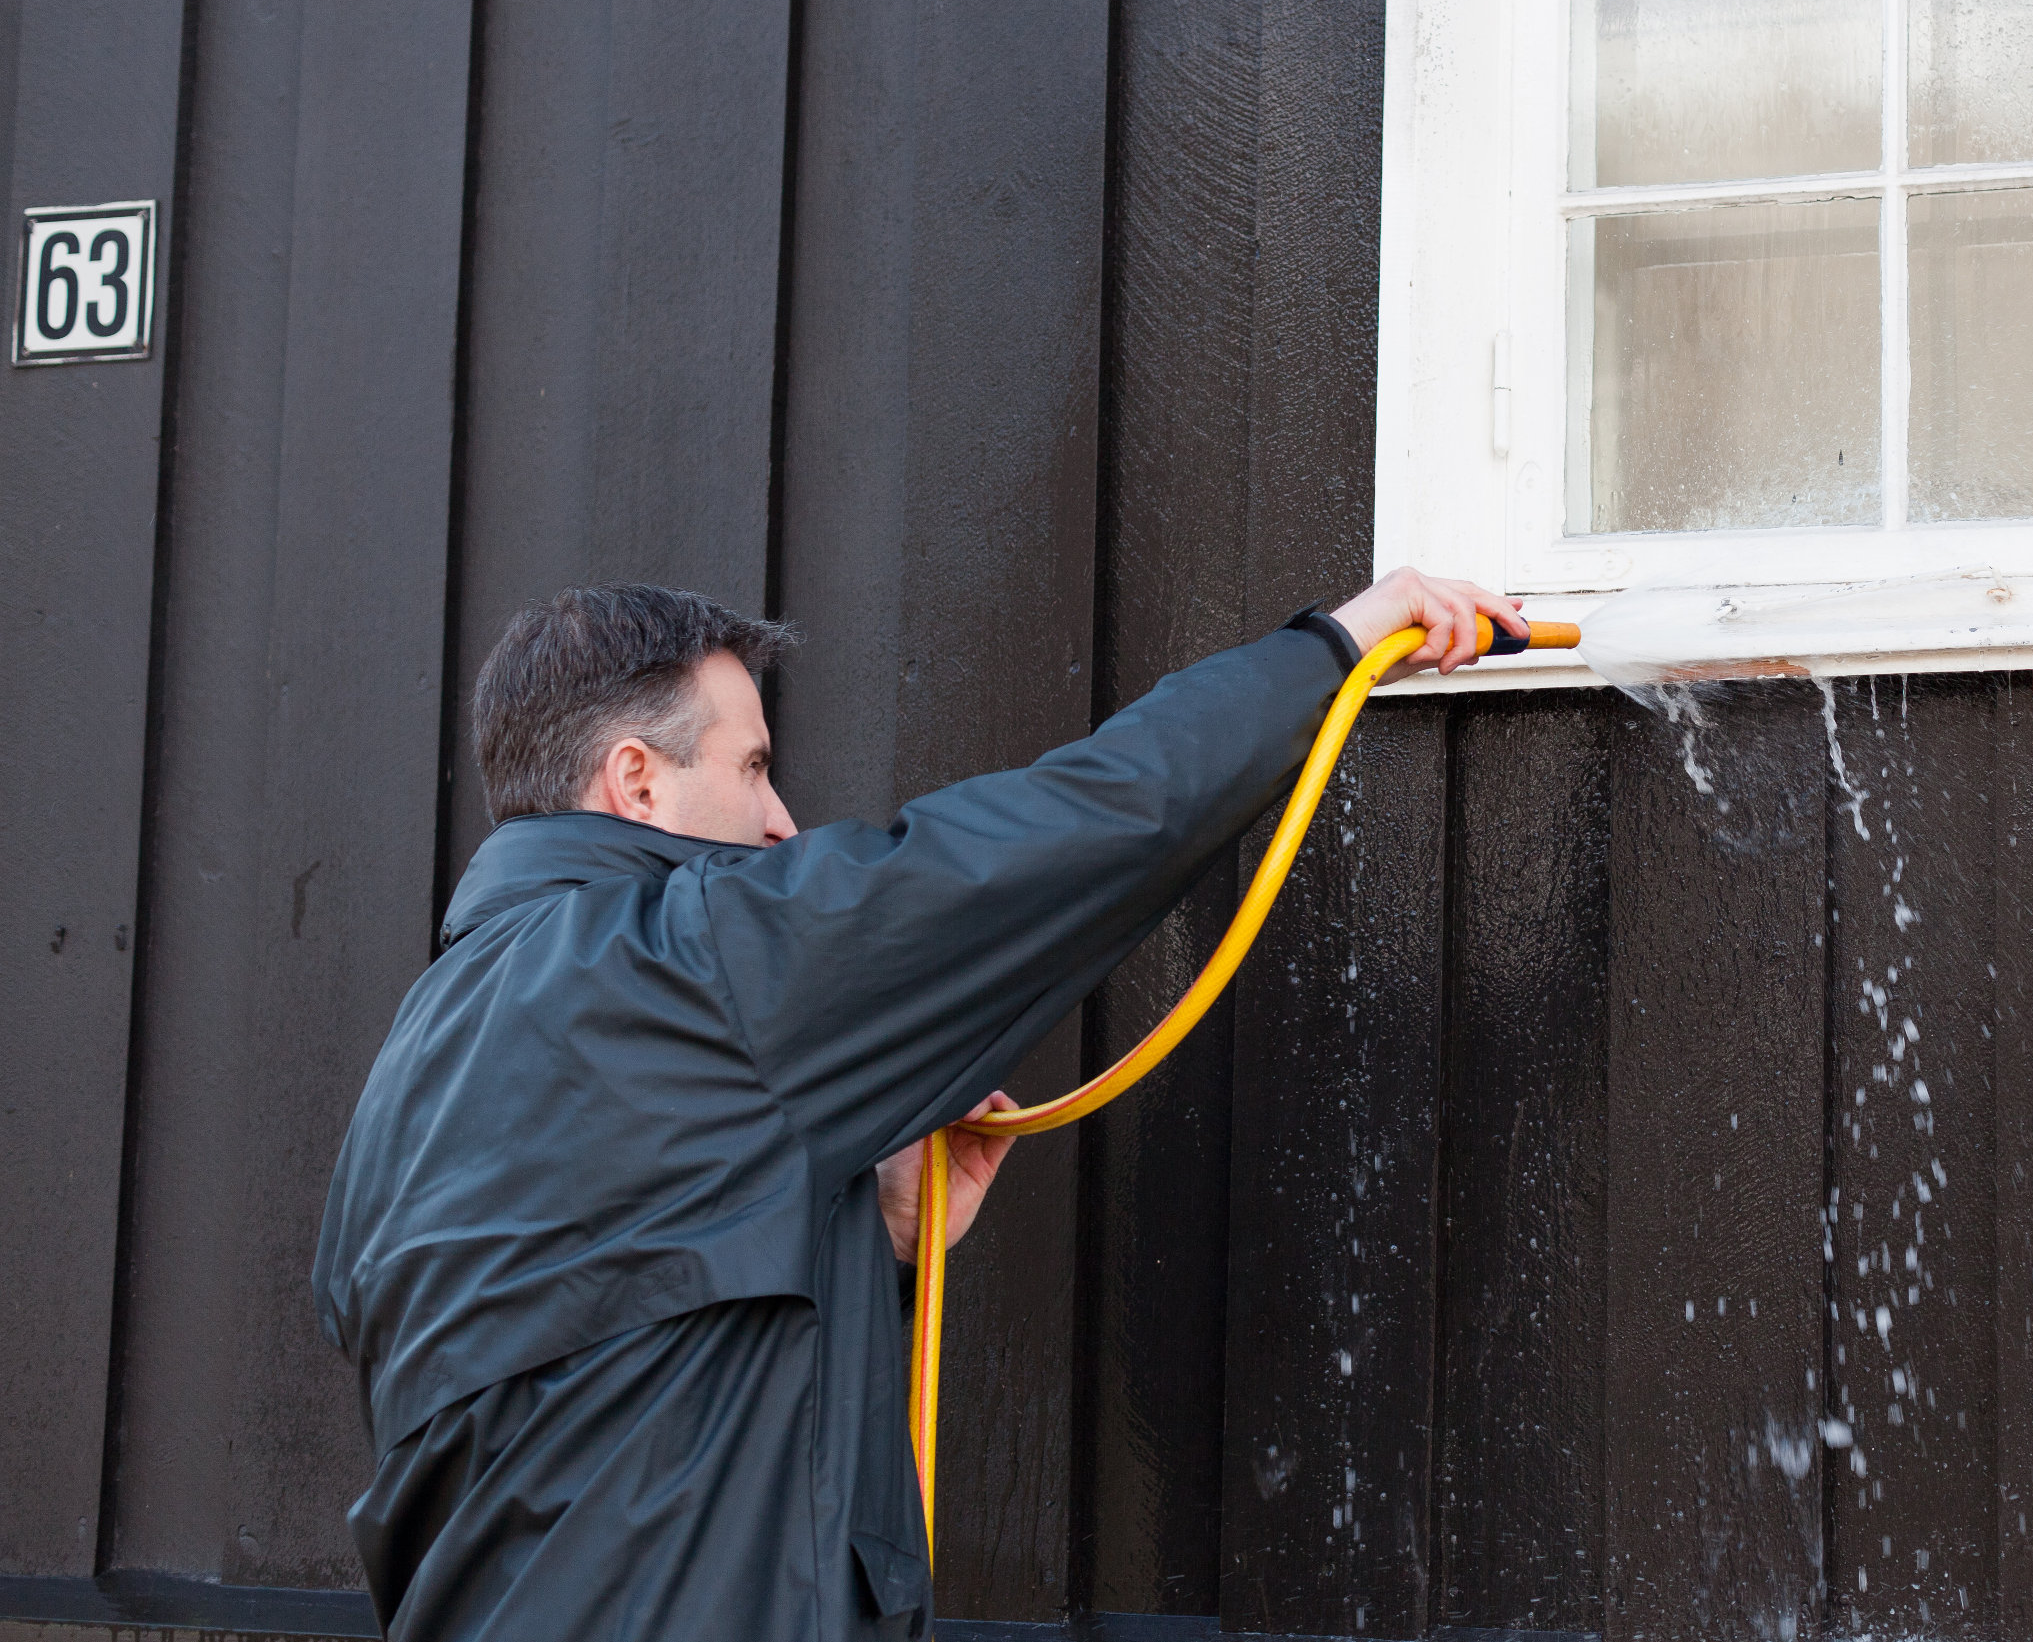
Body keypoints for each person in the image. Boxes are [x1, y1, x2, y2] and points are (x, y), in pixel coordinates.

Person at [313, 569, 1521, 1640]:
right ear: (636, 779)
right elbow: (1061, 837)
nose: (780, 818)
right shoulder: (690, 965)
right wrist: (1332, 647)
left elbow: (610, 1362)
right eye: (751, 766)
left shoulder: (411, 1074)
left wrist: (871, 1242)